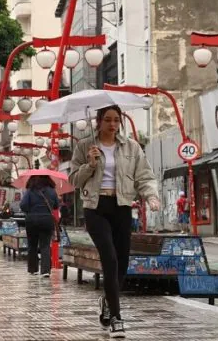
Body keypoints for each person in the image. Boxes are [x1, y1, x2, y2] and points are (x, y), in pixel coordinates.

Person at [69, 105, 160, 339]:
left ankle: (108, 303)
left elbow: (144, 175)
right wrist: (89, 164)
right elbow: (74, 180)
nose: (112, 124)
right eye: (107, 119)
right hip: (96, 208)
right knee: (109, 258)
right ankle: (117, 317)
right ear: (98, 121)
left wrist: (150, 196)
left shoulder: (131, 147)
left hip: (121, 206)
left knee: (122, 262)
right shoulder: (84, 146)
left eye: (116, 120)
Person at [19, 175, 59, 278]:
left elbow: (23, 205)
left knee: (32, 245)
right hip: (46, 219)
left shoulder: (30, 191)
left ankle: (33, 269)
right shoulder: (52, 191)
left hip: (32, 219)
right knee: (45, 245)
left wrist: (30, 210)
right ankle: (45, 270)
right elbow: (56, 206)